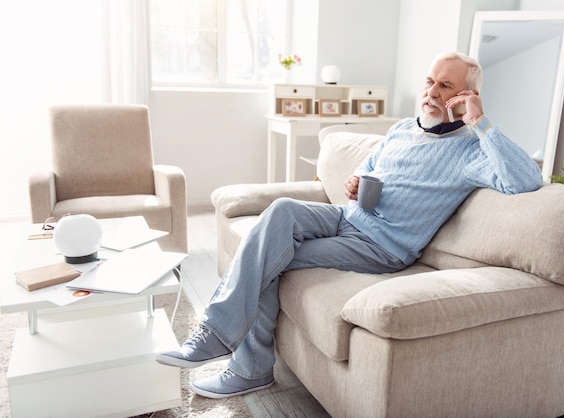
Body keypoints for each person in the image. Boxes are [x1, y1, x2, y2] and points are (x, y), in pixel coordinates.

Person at [156, 51, 544, 399]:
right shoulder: (401, 130)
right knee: (281, 211)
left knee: (270, 258)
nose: (433, 91)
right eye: (430, 81)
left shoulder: (469, 150)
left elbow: (524, 180)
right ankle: (221, 339)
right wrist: (355, 180)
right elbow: (371, 167)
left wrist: (480, 121)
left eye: (446, 85)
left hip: (381, 246)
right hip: (347, 217)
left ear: (466, 96)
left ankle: (243, 364)